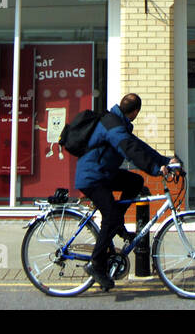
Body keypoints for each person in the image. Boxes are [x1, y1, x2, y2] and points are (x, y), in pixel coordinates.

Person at [74, 93, 177, 291]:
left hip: (104, 173)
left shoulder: (118, 122)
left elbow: (139, 146)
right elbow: (129, 149)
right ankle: (96, 264)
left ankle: (116, 225)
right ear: (135, 112)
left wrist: (164, 160)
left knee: (135, 181)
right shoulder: (113, 125)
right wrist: (155, 170)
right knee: (111, 214)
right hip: (92, 178)